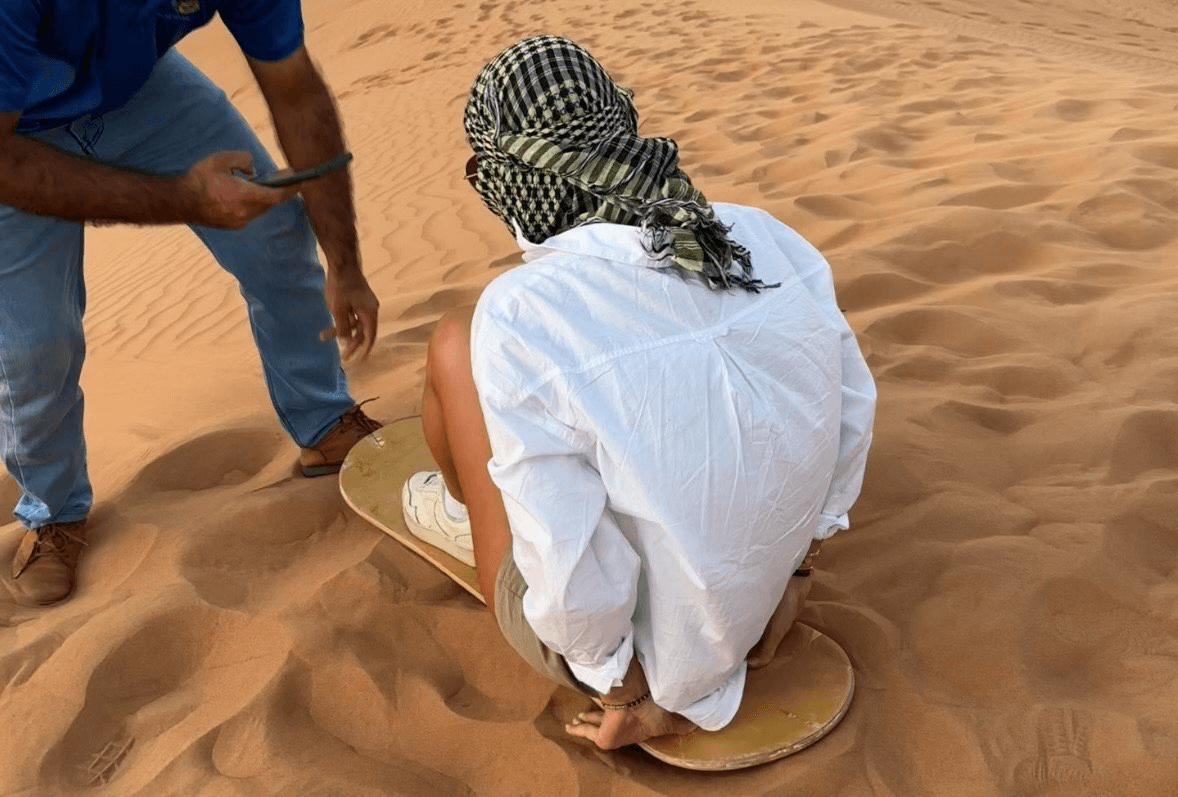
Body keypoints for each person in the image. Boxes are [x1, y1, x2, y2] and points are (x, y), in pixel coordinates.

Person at [402, 35, 875, 750]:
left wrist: (627, 683)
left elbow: (566, 578)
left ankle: (465, 512)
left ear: (504, 177)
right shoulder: (761, 236)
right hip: (769, 582)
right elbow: (849, 412)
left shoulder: (521, 316)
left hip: (638, 650)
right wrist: (798, 570)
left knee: (450, 344)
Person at [1, 0, 383, 607]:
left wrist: (346, 262)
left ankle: (323, 421)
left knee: (276, 233)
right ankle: (52, 514)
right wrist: (185, 198)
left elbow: (296, 91)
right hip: (10, 133)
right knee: (34, 346)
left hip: (137, 89)